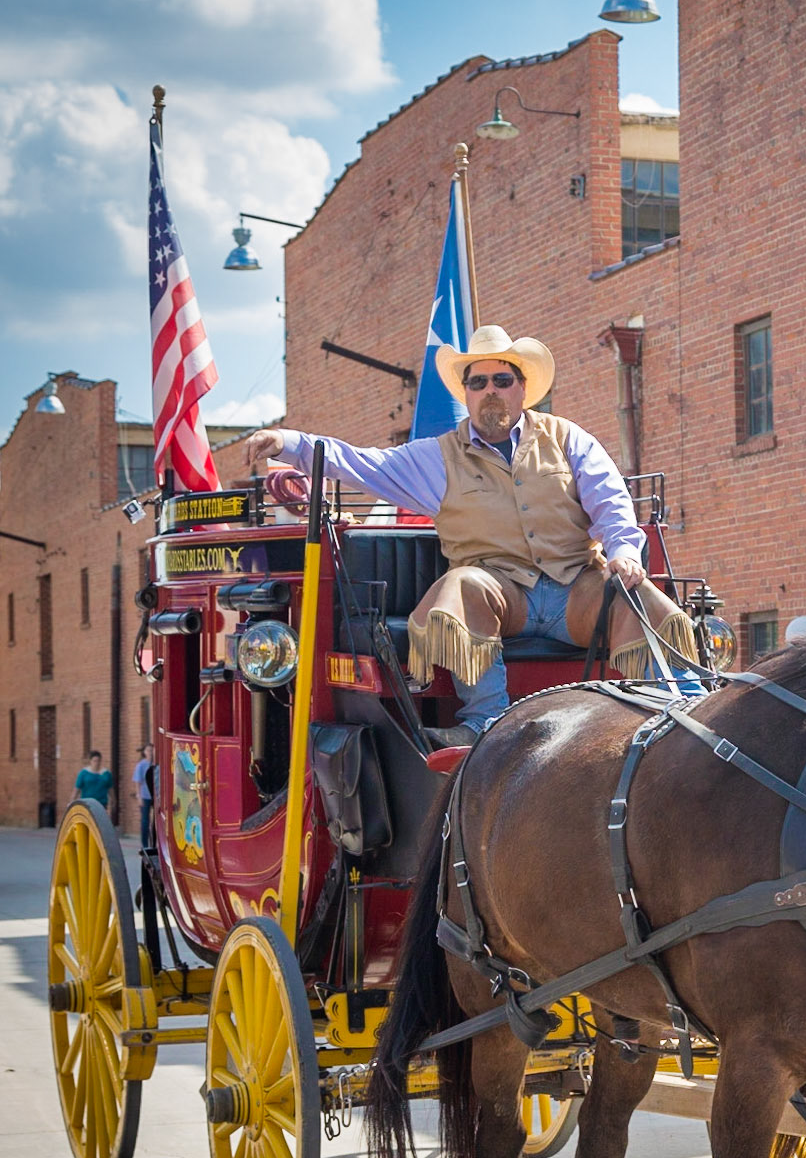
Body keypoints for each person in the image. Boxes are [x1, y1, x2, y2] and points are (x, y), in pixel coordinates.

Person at [243, 327, 700, 748]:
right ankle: (486, 721)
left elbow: (611, 501)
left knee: (631, 590)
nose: (490, 392)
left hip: (576, 591)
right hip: (503, 597)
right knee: (463, 583)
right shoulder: (438, 457)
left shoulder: (567, 438)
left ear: (523, 388)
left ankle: (683, 703)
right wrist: (290, 443)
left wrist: (623, 553)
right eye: (477, 383)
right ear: (466, 393)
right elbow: (365, 463)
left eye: (501, 380)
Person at [132, 743, 155, 850]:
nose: (150, 752)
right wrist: (138, 796)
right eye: (148, 750)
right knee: (145, 820)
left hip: (156, 796)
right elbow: (137, 782)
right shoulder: (141, 765)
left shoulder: (156, 764)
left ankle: (154, 842)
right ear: (144, 752)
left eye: (152, 750)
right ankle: (145, 844)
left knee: (155, 821)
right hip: (145, 795)